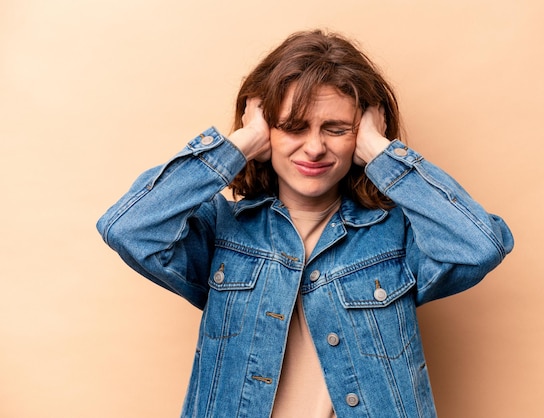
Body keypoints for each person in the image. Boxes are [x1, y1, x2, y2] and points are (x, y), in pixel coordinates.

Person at [97, 29, 514, 418]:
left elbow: (479, 246)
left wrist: (378, 150)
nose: (314, 148)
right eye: (292, 127)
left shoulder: (397, 235)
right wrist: (240, 145)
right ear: (264, 131)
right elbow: (130, 228)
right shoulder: (221, 229)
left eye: (336, 129)